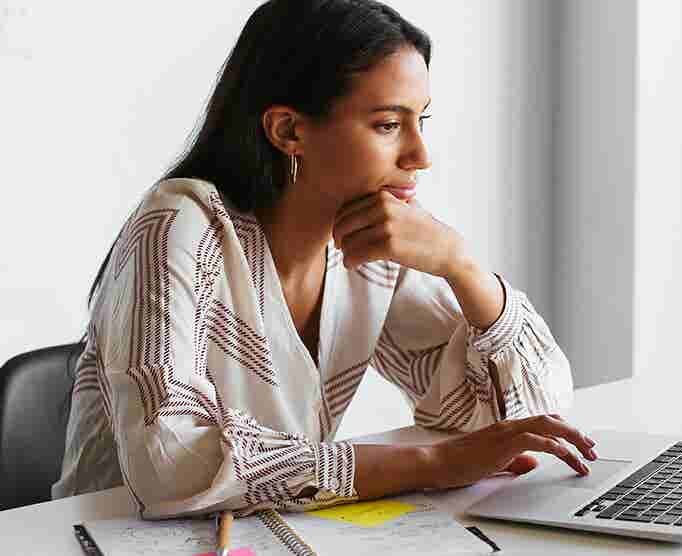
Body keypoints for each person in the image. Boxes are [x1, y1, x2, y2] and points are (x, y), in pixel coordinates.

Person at [52, 0, 596, 519]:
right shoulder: (180, 225)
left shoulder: (373, 248)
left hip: (266, 532)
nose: (420, 156)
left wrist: (461, 267)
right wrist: (430, 465)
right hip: (101, 538)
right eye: (388, 125)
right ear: (288, 130)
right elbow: (171, 462)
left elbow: (512, 417)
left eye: (420, 121)